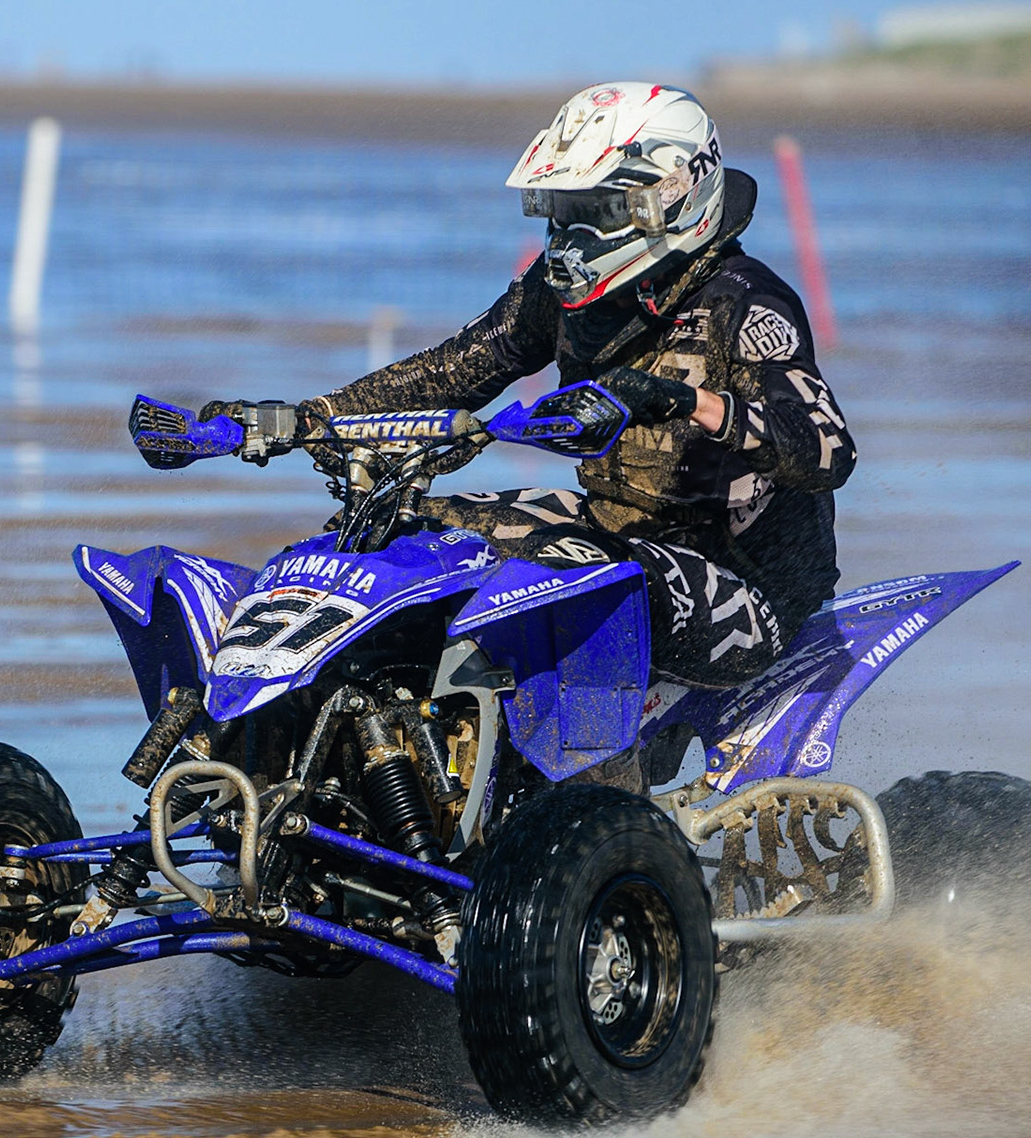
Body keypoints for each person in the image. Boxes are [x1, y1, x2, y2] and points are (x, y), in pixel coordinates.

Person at [209, 82, 855, 693]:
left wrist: (693, 403)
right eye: (563, 212)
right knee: (392, 539)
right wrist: (306, 417)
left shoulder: (744, 303)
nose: (571, 238)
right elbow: (454, 371)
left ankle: (596, 772)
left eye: (593, 212)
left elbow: (828, 450)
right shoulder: (563, 293)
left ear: (669, 198)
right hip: (616, 526)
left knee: (567, 582)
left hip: (749, 586)